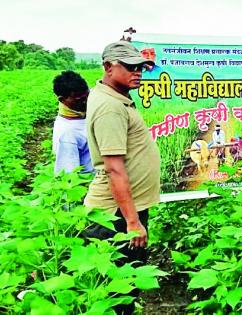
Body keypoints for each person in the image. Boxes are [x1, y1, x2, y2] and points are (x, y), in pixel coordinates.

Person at [84, 40, 160, 314]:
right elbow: (114, 168)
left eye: (140, 67)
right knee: (120, 289)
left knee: (122, 287)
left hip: (123, 209)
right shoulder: (110, 108)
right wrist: (132, 221)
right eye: (129, 67)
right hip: (116, 215)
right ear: (108, 67)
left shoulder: (115, 97)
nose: (137, 72)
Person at [52, 71, 94, 174]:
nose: (85, 102)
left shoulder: (84, 110)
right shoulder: (67, 133)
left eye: (87, 96)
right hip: (90, 183)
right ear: (62, 99)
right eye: (79, 100)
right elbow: (68, 176)